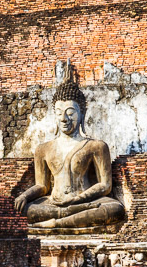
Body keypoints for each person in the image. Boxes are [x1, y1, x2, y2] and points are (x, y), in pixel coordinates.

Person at [14, 68, 124, 229]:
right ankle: (68, 216)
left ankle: (55, 223)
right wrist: (24, 196)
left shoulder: (96, 146)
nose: (64, 119)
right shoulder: (43, 149)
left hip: (84, 201)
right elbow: (42, 186)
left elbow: (105, 185)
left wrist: (77, 199)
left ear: (82, 114)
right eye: (59, 113)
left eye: (70, 112)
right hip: (54, 203)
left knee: (115, 209)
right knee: (19, 209)